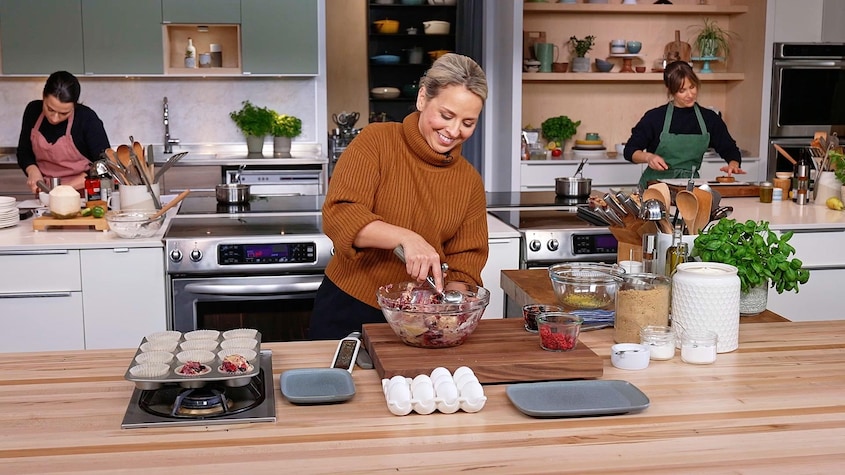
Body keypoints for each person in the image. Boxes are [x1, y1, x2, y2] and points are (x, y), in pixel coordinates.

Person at [309, 53, 489, 340]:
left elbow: (465, 262)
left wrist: (447, 313)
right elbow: (341, 214)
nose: (454, 131)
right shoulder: (376, 141)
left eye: (468, 122)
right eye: (446, 115)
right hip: (349, 308)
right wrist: (406, 238)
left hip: (425, 321)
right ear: (421, 99)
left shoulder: (469, 181)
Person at [623, 60, 744, 189]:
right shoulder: (655, 118)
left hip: (690, 188)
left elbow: (729, 148)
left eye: (692, 87)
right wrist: (648, 157)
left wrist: (733, 164)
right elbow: (630, 151)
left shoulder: (709, 119)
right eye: (682, 90)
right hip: (655, 188)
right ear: (670, 90)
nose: (690, 95)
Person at [17, 71, 110, 193]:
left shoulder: (87, 118)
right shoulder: (33, 111)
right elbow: (24, 152)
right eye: (50, 109)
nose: (54, 118)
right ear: (43, 96)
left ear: (74, 106)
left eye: (64, 113)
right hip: (46, 193)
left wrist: (65, 189)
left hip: (86, 195)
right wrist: (32, 171)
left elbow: (104, 165)